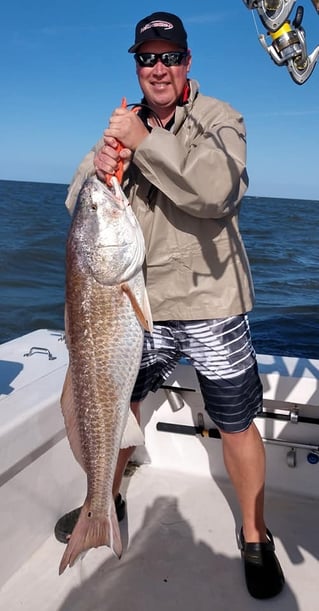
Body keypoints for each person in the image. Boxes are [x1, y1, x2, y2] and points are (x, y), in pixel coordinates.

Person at [54, 12, 284, 599]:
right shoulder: (121, 123)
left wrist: (142, 142)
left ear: (186, 63)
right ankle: (104, 498)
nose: (157, 68)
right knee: (115, 401)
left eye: (168, 56)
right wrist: (99, 167)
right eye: (146, 57)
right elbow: (78, 201)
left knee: (234, 421)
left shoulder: (217, 118)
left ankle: (255, 535)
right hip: (137, 302)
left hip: (211, 301)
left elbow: (217, 190)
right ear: (136, 64)